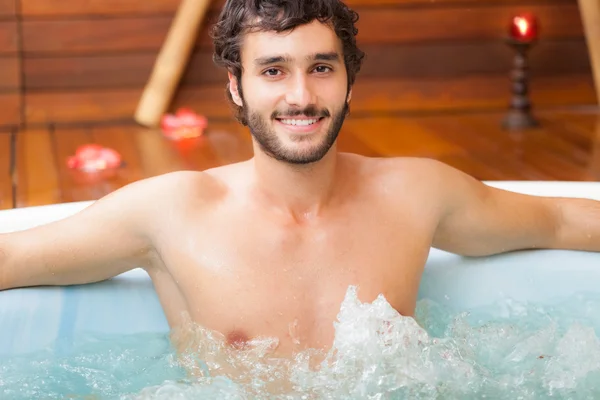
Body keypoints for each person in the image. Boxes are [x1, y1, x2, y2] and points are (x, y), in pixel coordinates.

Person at [1, 0, 600, 359]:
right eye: (273, 70)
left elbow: (560, 218)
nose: (300, 96)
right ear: (237, 86)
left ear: (348, 78)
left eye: (320, 67)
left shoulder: (417, 195)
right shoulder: (172, 213)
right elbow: (14, 258)